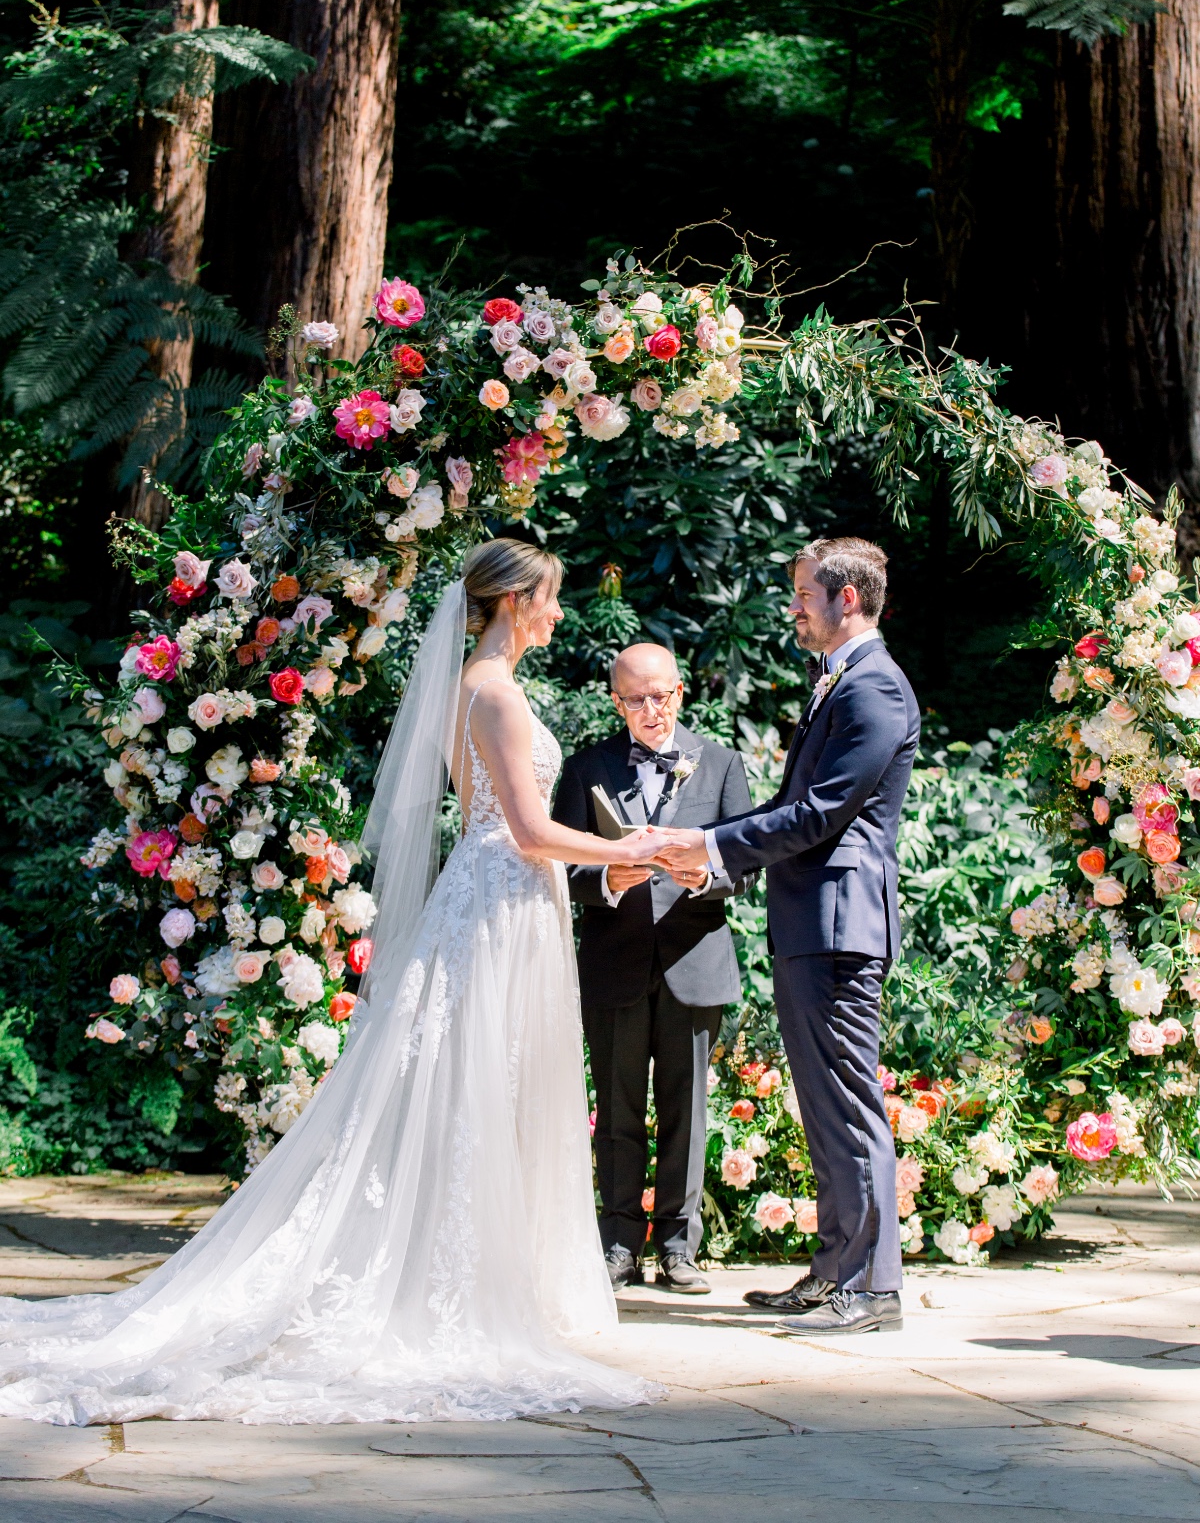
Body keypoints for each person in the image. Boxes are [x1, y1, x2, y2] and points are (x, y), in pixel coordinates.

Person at [0, 540, 666, 1424]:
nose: (556, 613)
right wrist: (625, 850)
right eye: (547, 598)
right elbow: (531, 829)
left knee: (490, 1085)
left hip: (507, 901)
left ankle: (500, 1268)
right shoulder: (495, 692)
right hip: (501, 901)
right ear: (512, 601)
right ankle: (462, 1280)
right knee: (476, 1085)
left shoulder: (482, 685)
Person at [652, 538, 920, 1337]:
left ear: (846, 599)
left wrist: (706, 848)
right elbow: (796, 808)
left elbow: (818, 815)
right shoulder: (843, 683)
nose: (795, 606)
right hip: (815, 924)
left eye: (804, 592)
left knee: (848, 1104)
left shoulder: (875, 690)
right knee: (824, 1105)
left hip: (841, 926)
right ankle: (837, 1268)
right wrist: (712, 857)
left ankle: (871, 1288)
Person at [553, 643, 752, 1294]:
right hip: (614, 962)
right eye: (635, 698)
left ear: (681, 692)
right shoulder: (587, 768)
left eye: (660, 695)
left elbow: (747, 862)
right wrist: (607, 878)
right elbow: (558, 869)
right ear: (617, 701)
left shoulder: (721, 765)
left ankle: (677, 1246)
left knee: (685, 1111)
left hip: (695, 961)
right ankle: (617, 1244)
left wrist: (707, 873)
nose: (650, 709)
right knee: (615, 1112)